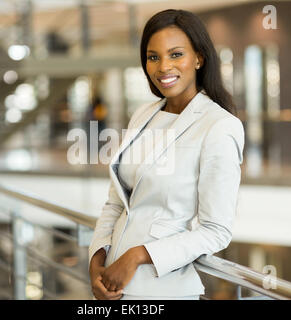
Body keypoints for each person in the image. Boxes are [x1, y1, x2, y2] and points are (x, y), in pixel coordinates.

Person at [88, 9, 245, 300]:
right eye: (153, 57)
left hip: (165, 291)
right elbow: (116, 203)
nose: (163, 67)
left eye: (175, 55)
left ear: (199, 58)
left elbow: (216, 230)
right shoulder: (144, 114)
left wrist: (137, 256)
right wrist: (97, 260)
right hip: (112, 287)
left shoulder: (219, 126)